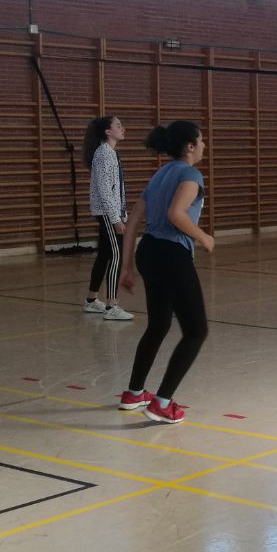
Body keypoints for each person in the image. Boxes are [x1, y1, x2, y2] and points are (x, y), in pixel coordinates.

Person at [116, 121, 212, 425]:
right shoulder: (190, 174)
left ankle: (134, 393)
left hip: (148, 252)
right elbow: (175, 214)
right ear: (189, 146)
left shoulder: (160, 173)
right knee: (196, 331)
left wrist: (127, 266)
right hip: (171, 255)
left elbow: (133, 222)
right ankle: (162, 403)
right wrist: (203, 236)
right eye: (201, 140)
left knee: (158, 324)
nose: (205, 145)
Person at [83, 115, 134, 321]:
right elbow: (105, 190)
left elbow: (116, 189)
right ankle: (111, 305)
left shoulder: (110, 153)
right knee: (116, 255)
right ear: (107, 131)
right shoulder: (104, 154)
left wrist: (122, 213)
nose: (123, 129)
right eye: (118, 126)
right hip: (107, 213)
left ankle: (91, 300)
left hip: (111, 212)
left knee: (105, 255)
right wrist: (115, 218)